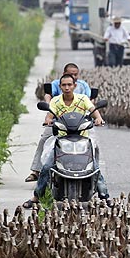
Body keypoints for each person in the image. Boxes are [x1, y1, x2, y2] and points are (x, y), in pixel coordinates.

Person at [22, 74, 106, 209]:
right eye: (64, 85)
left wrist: (98, 119)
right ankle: (36, 196)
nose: (67, 88)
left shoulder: (83, 99)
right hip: (62, 138)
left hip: (82, 138)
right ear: (60, 87)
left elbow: (93, 111)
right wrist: (48, 120)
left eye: (69, 85)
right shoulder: (55, 101)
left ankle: (104, 196)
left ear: (75, 86)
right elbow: (49, 115)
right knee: (47, 167)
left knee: (94, 167)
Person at [25, 63, 91, 182]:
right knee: (45, 139)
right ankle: (36, 170)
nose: (73, 76)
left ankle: (96, 179)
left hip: (79, 123)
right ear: (63, 75)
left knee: (92, 145)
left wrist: (95, 117)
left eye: (75, 74)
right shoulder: (56, 85)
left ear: (75, 84)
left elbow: (91, 102)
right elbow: (48, 96)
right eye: (70, 74)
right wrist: (49, 112)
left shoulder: (83, 86)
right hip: (58, 122)